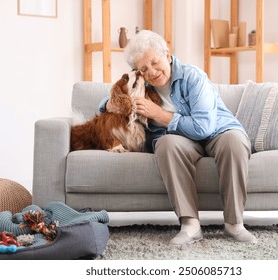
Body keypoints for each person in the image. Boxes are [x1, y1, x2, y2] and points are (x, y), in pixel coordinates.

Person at [99, 30, 257, 246]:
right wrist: (107, 104)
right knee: (165, 143)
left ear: (167, 53)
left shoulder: (193, 77)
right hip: (181, 140)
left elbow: (203, 127)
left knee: (234, 143)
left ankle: (234, 223)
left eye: (155, 62)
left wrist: (158, 114)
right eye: (144, 69)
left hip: (217, 131)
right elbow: (114, 98)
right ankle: (190, 225)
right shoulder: (142, 86)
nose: (152, 72)